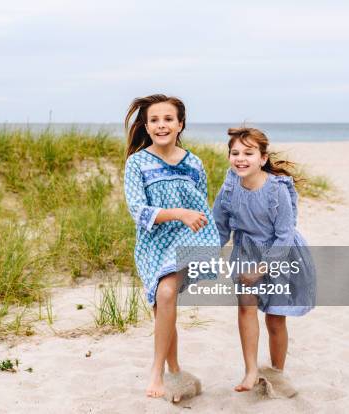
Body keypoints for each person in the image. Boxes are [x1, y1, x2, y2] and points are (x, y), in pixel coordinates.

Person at [123, 94, 220, 398]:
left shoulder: (194, 163)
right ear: (146, 126)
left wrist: (191, 219)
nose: (161, 125)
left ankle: (157, 372)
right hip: (153, 242)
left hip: (190, 238)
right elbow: (137, 211)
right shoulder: (137, 163)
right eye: (154, 120)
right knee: (162, 304)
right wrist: (178, 213)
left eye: (168, 119)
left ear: (180, 124)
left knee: (166, 293)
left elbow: (200, 207)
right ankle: (175, 369)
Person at [212, 127, 316, 392]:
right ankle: (251, 371)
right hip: (246, 253)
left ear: (262, 157)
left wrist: (262, 267)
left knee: (274, 318)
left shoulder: (276, 190)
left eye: (249, 152)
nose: (241, 158)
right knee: (246, 307)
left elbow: (285, 235)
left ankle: (278, 372)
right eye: (235, 152)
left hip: (280, 255)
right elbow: (220, 227)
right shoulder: (229, 186)